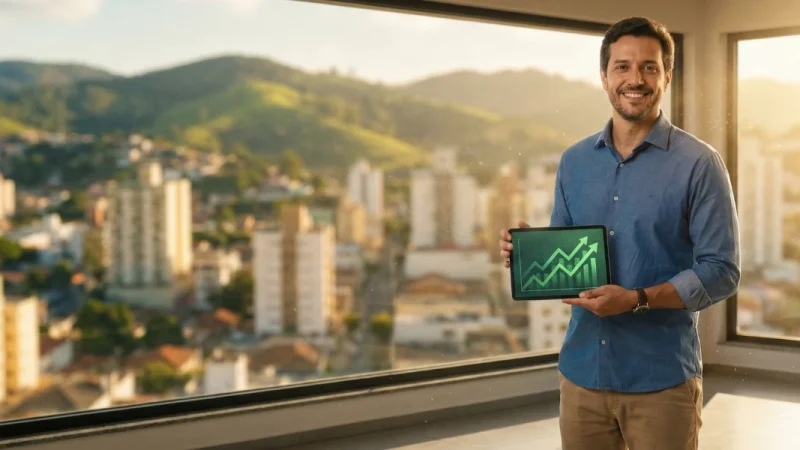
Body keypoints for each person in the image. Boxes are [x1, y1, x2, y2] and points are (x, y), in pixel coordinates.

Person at [498, 17, 740, 450]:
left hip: (661, 382)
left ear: (667, 76)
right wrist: (531, 252)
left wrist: (637, 299)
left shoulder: (699, 164)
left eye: (649, 67)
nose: (635, 79)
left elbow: (721, 271)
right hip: (581, 377)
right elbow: (570, 254)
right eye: (623, 66)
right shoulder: (575, 161)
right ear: (605, 76)